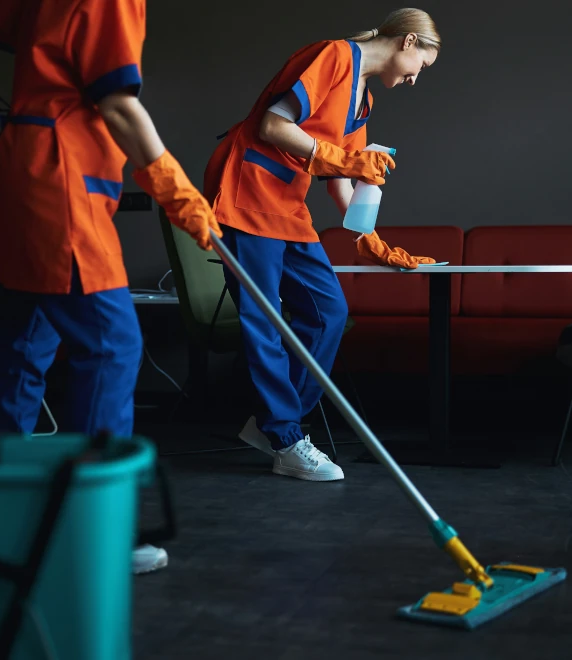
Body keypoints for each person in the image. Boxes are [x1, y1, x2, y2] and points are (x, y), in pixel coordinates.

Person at [0, 0, 221, 575]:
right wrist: (185, 200)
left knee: (21, 349)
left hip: (23, 177)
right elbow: (118, 103)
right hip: (58, 183)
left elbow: (5, 25)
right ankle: (92, 527)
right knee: (109, 346)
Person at [203, 8, 440, 482]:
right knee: (265, 318)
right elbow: (272, 125)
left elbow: (341, 183)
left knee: (328, 313)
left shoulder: (363, 103)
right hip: (247, 191)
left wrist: (368, 237)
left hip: (288, 206)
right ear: (407, 42)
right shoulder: (333, 57)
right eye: (421, 68)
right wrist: (345, 160)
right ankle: (287, 437)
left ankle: (272, 425)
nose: (416, 80)